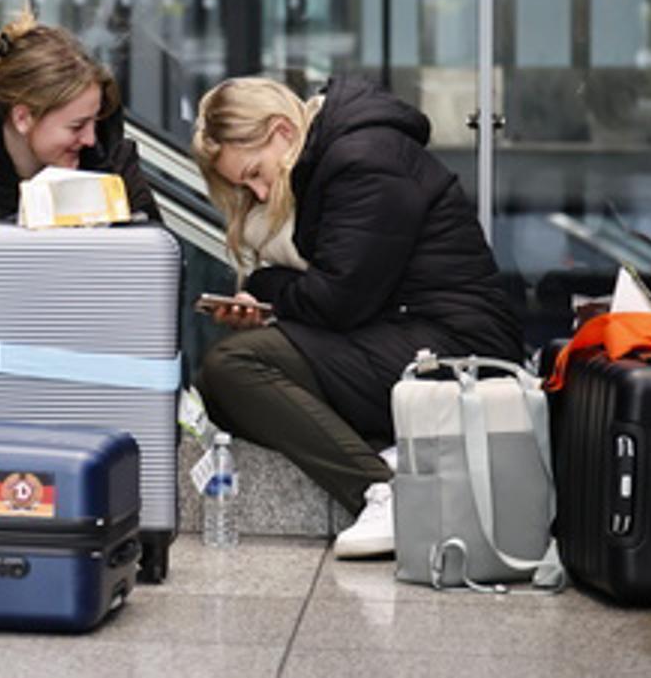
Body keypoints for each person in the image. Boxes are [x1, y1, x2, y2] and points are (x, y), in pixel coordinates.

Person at [190, 74, 523, 559]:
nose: (260, 194)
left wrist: (263, 289)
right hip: (410, 333)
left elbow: (337, 300)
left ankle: (385, 493)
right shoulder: (338, 156)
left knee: (235, 367)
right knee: (229, 379)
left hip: (460, 349)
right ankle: (388, 453)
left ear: (283, 131)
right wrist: (269, 308)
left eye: (256, 172)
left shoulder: (364, 159)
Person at [0, 8, 160, 416]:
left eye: (95, 122)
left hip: (89, 336)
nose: (90, 139)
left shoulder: (109, 156)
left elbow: (158, 266)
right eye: (76, 127)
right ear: (23, 117)